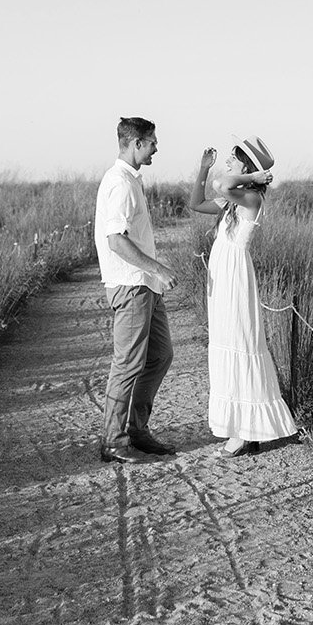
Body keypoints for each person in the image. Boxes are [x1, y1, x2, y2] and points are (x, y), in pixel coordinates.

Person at [187, 135, 298, 457]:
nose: (227, 163)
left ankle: (249, 431)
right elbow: (196, 204)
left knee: (241, 343)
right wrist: (202, 170)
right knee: (226, 342)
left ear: (248, 168)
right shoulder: (234, 200)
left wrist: (252, 178)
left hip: (236, 276)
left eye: (233, 160)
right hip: (223, 274)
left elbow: (223, 186)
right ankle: (240, 427)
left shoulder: (250, 198)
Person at [94, 116, 180, 464]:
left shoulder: (130, 180)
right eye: (152, 141)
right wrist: (158, 269)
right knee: (127, 364)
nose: (157, 147)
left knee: (160, 355)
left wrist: (153, 278)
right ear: (136, 144)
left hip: (144, 286)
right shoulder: (120, 183)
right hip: (131, 287)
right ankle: (114, 442)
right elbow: (116, 241)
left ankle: (136, 429)